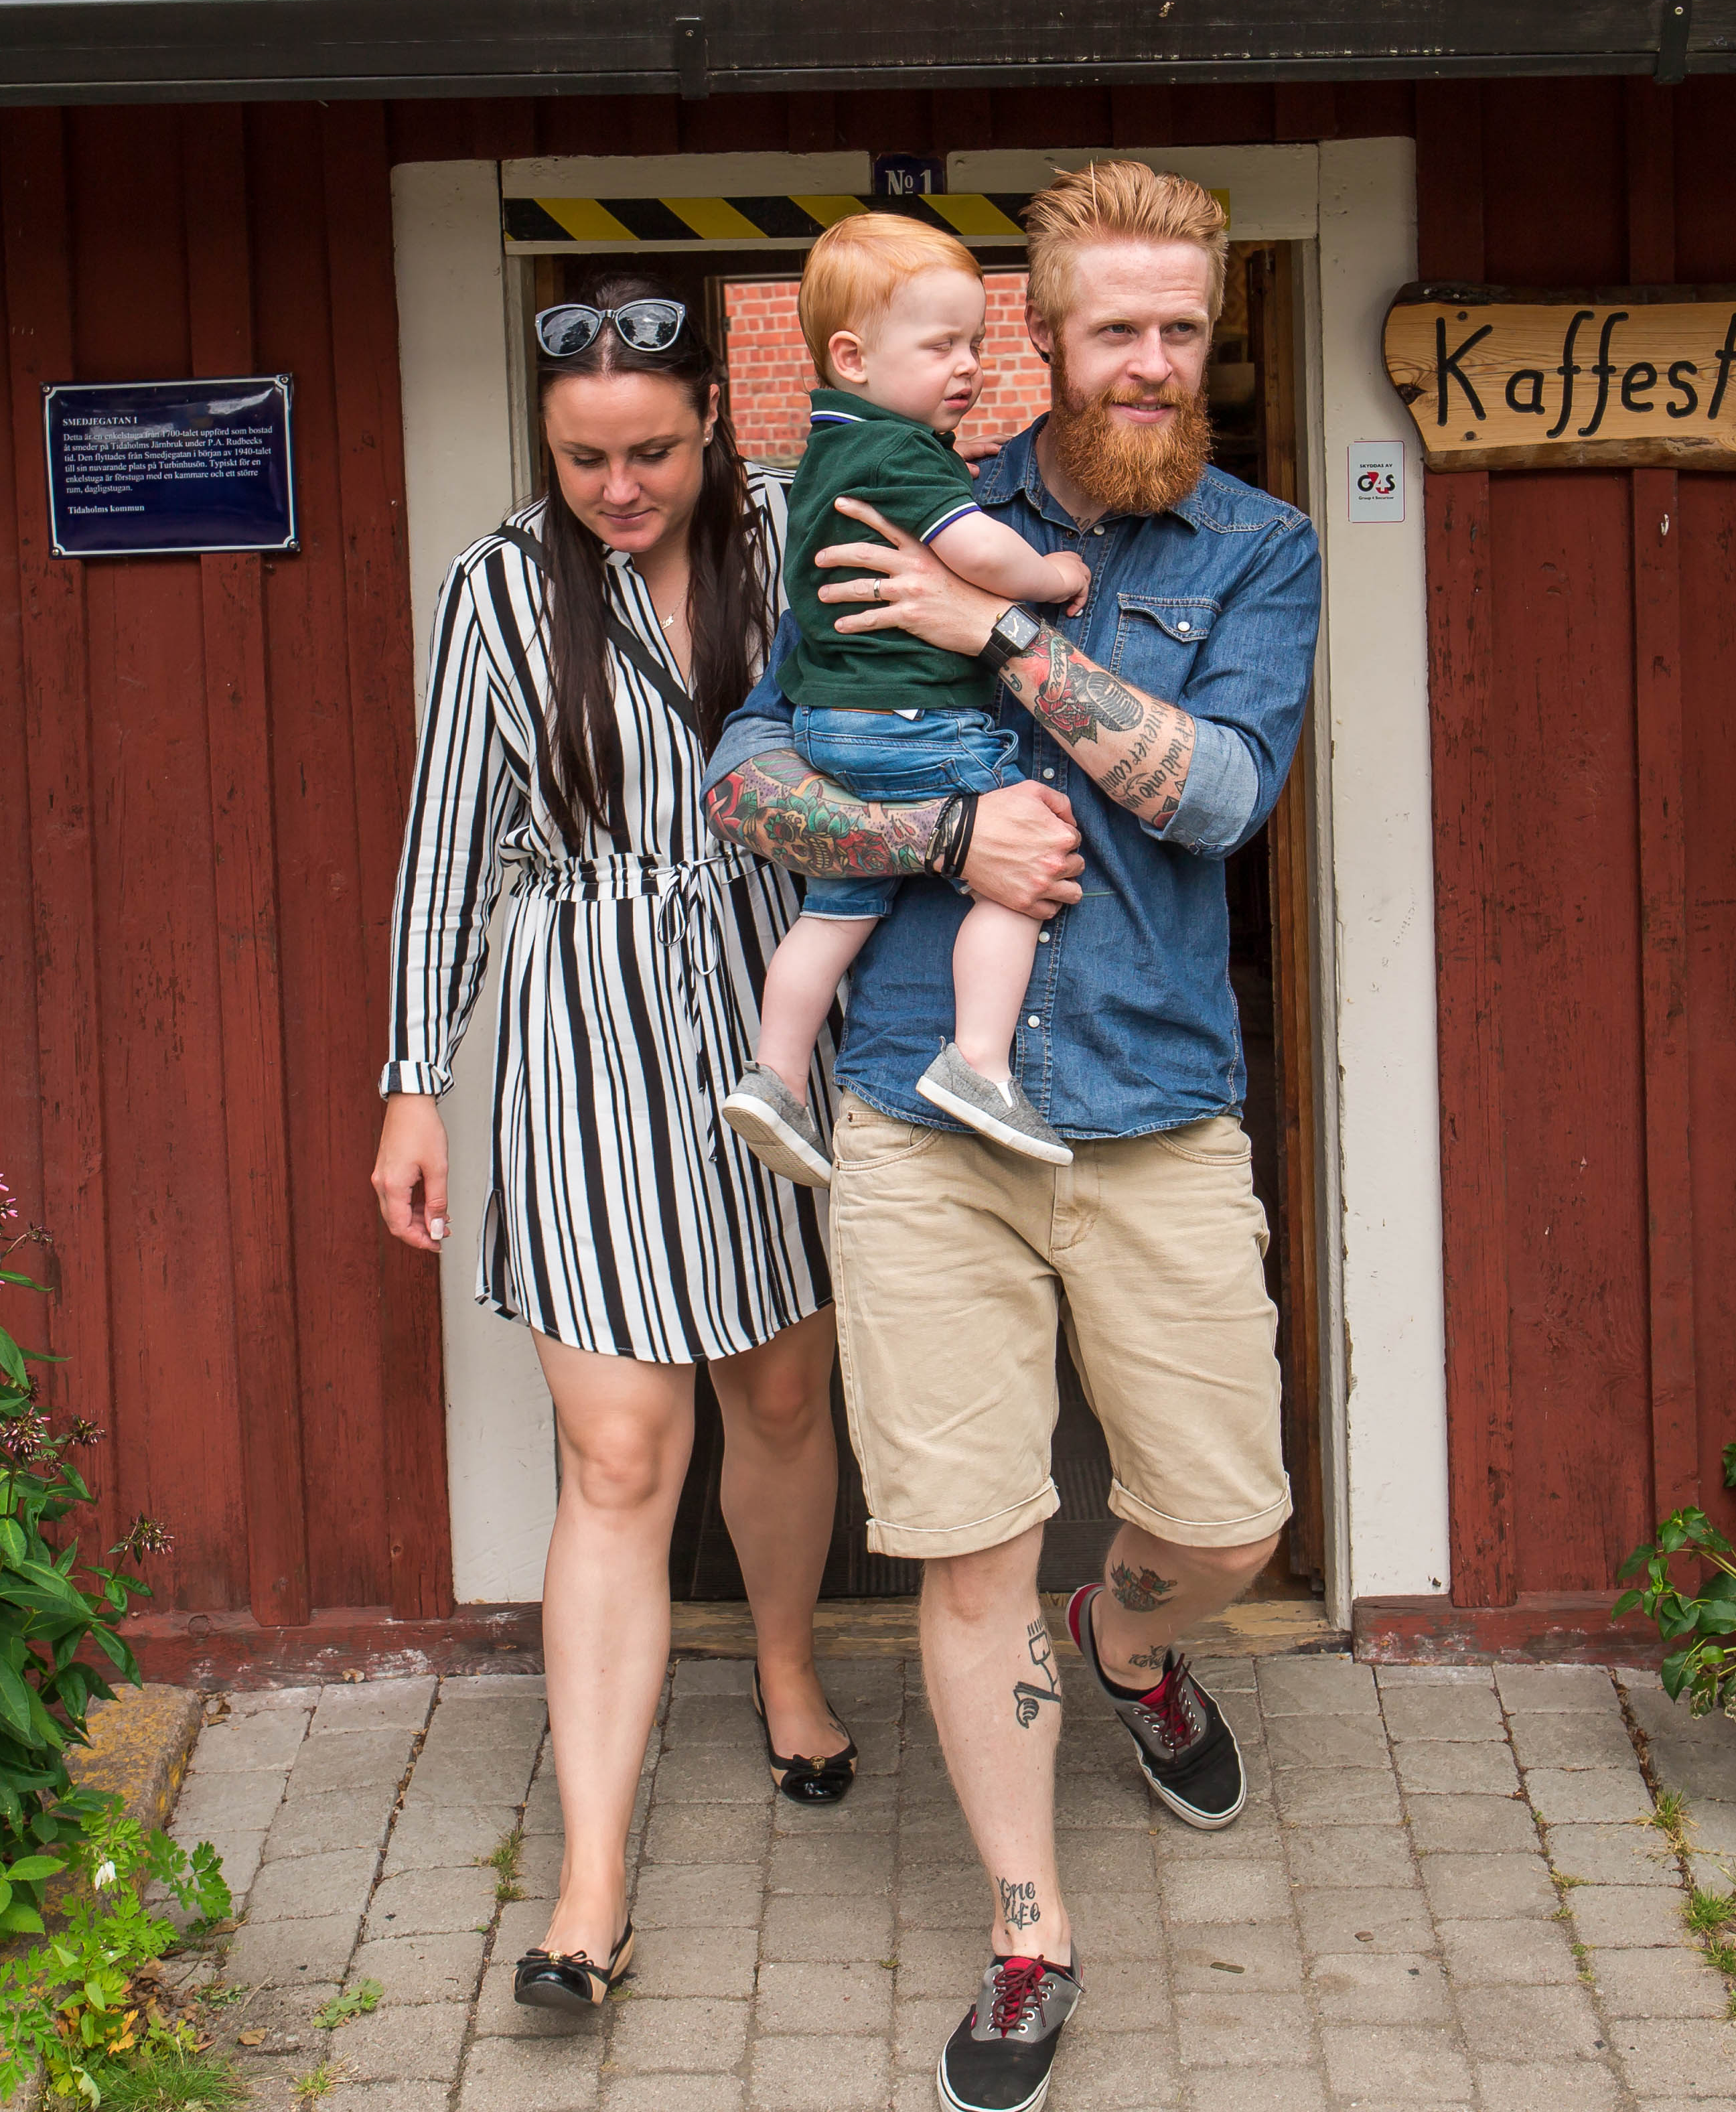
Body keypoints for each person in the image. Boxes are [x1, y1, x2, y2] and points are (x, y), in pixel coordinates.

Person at [700, 163, 1323, 2112]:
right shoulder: (880, 496)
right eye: (1112, 329)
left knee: (1228, 1518)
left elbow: (1217, 795)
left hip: (1150, 1105)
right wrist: (938, 836)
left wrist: (993, 642)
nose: (1151, 362)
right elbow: (746, 778)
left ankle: (1126, 1641)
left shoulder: (1260, 548)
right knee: (966, 1544)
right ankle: (1028, 1923)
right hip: (915, 1105)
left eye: (1181, 330)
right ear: (1036, 348)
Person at [372, 279, 858, 2016]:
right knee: (619, 1460)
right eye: (586, 458)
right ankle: (591, 1888)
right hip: (581, 1025)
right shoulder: (499, 590)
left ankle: (787, 1667)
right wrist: (415, 1078)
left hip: (769, 1013)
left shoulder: (796, 538)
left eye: (651, 450)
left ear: (717, 422)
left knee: (782, 1395)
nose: (621, 487)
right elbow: (449, 843)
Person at [721, 214, 1092, 1188]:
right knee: (1028, 857)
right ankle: (977, 1062)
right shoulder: (904, 452)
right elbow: (976, 555)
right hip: (917, 722)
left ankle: (776, 1072)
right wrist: (1048, 576)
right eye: (942, 346)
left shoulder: (829, 452)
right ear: (853, 356)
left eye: (976, 341)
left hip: (827, 728)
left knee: (837, 908)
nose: (969, 366)